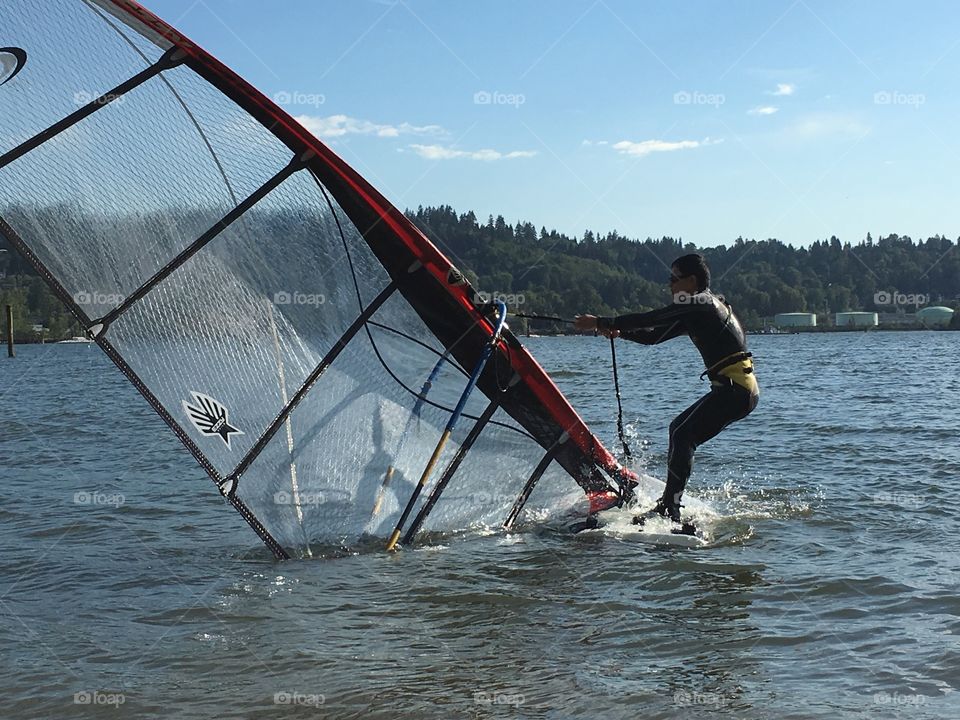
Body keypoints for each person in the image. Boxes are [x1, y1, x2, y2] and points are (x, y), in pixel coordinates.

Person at [574, 253, 758, 525]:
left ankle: (670, 508)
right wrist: (619, 332)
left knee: (684, 435)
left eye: (674, 279)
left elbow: (654, 317)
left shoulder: (702, 304)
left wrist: (603, 321)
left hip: (737, 391)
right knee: (678, 430)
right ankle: (669, 503)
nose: (669, 285)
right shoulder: (696, 309)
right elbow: (653, 336)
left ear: (692, 281)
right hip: (733, 390)